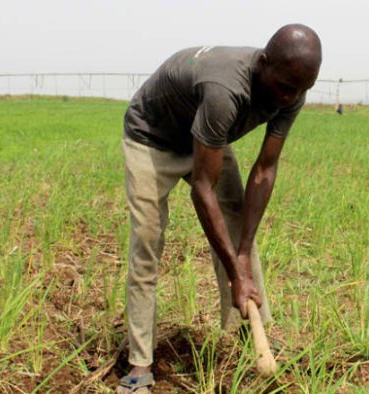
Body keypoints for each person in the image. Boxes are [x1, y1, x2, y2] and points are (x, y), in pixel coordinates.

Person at [117, 24, 322, 393]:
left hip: (207, 138)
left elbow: (265, 169)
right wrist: (234, 269)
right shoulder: (225, 90)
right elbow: (202, 187)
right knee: (147, 242)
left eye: (300, 90)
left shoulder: (292, 90)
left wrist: (241, 254)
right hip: (153, 138)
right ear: (263, 64)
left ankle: (250, 338)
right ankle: (139, 364)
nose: (290, 98)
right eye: (285, 88)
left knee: (241, 228)